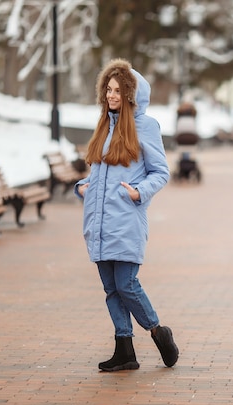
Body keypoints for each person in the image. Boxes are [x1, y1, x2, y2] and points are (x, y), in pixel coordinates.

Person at [74, 58, 179, 372]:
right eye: (108, 89)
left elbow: (160, 172)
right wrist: (84, 186)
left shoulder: (145, 126)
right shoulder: (105, 124)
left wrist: (138, 192)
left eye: (118, 90)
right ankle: (124, 350)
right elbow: (97, 170)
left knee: (127, 284)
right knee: (111, 288)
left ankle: (159, 331)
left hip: (126, 218)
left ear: (132, 94)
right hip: (99, 220)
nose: (112, 95)